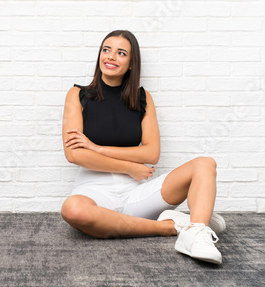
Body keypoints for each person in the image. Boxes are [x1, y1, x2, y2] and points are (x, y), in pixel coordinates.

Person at [60, 30, 226, 265]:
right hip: (94, 192)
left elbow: (151, 153)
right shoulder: (77, 95)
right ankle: (173, 227)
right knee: (73, 209)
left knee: (204, 164)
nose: (111, 57)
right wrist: (129, 166)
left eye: (121, 53)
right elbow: (74, 154)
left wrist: (97, 148)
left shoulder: (142, 97)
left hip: (137, 193)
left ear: (131, 64)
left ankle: (197, 234)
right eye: (106, 50)